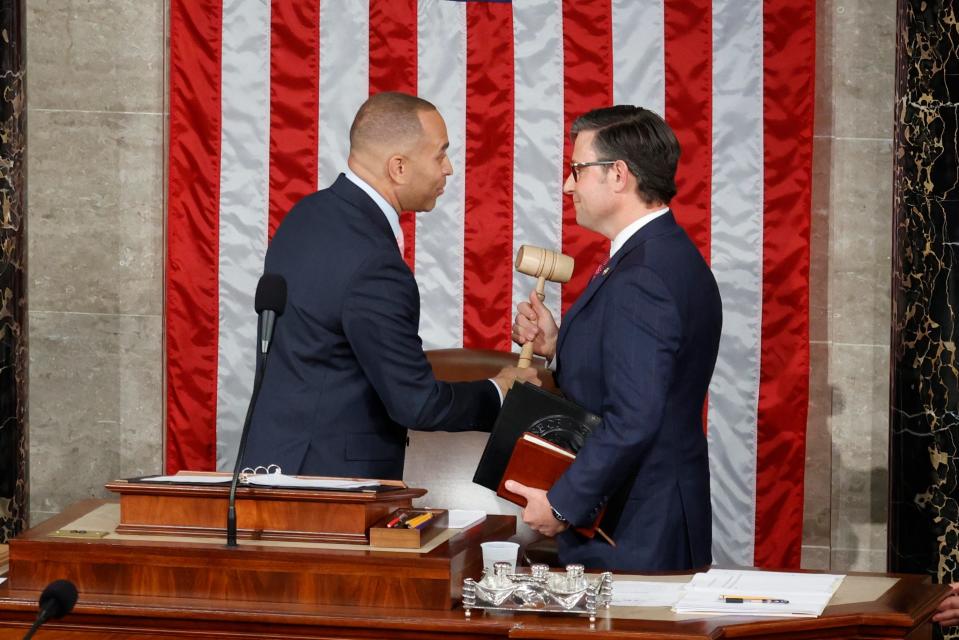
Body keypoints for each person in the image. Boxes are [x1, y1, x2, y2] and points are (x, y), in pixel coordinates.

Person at [243, 92, 537, 480]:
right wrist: (500, 390)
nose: (448, 168)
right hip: (329, 488)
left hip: (268, 466)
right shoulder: (374, 262)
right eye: (440, 154)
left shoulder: (305, 215)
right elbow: (416, 404)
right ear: (398, 167)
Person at [508, 105, 722, 571]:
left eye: (577, 170)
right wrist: (557, 344)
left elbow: (634, 417)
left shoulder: (642, 274)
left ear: (618, 174)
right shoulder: (661, 255)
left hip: (635, 526)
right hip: (648, 516)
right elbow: (637, 376)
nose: (568, 185)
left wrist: (563, 504)